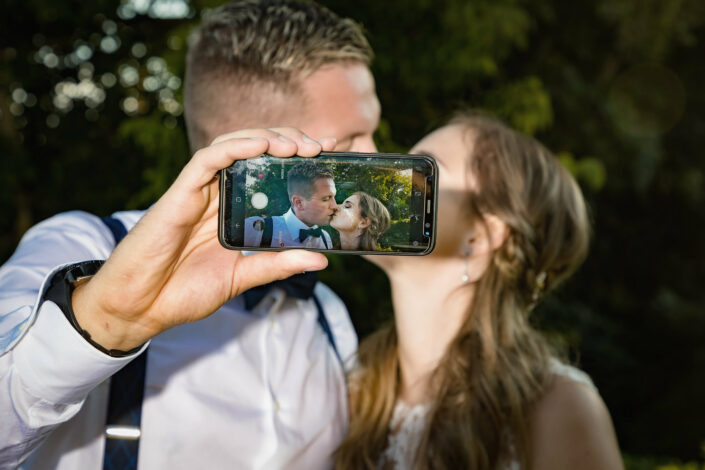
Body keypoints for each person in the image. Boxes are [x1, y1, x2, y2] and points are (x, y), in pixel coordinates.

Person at [0, 1, 380, 469]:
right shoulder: (78, 247)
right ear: (260, 147)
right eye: (350, 141)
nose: (376, 154)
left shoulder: (328, 313)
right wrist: (105, 320)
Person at [335, 112, 624, 470]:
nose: (385, 174)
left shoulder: (559, 409)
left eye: (422, 170)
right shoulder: (348, 390)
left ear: (481, 237)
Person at [244, 162, 337, 249]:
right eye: (326, 199)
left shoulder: (325, 238)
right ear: (299, 203)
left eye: (333, 197)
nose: (335, 206)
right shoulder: (255, 230)